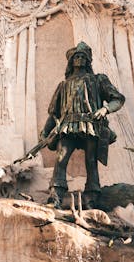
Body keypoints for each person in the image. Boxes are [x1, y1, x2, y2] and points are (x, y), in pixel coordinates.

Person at [40, 41, 125, 209]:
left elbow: (118, 99)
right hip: (67, 126)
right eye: (76, 56)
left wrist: (104, 109)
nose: (79, 59)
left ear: (88, 61)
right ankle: (56, 195)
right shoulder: (63, 85)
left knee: (91, 161)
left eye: (83, 57)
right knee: (60, 158)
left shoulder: (98, 79)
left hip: (90, 125)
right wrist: (45, 132)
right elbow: (53, 113)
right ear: (71, 61)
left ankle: (92, 197)